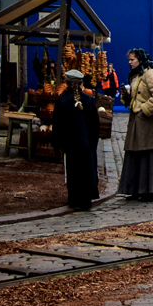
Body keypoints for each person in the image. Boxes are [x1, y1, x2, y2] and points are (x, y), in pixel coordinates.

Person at [117, 48, 153, 202]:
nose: (129, 62)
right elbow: (136, 97)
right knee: (134, 154)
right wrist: (127, 97)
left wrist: (145, 109)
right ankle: (135, 189)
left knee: (146, 154)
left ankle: (148, 190)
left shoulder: (148, 73)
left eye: (132, 59)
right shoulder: (136, 75)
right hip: (136, 120)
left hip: (145, 121)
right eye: (129, 59)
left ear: (139, 59)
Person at [52, 69, 100, 211]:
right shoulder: (89, 100)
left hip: (70, 143)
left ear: (67, 83)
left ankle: (74, 199)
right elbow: (95, 124)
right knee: (87, 170)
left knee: (73, 171)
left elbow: (57, 124)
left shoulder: (62, 100)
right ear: (80, 84)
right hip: (86, 143)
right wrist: (93, 142)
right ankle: (86, 199)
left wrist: (57, 144)